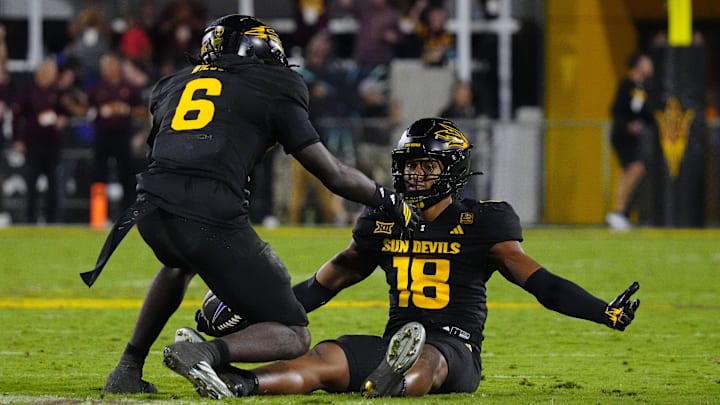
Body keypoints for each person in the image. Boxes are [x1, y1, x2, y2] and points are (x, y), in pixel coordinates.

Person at [175, 117, 641, 399]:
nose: (414, 175)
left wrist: (603, 311)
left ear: (452, 171)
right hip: (394, 342)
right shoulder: (383, 221)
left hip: (454, 350)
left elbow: (543, 284)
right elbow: (322, 286)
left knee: (428, 365)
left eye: (426, 166)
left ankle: (395, 381)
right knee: (323, 358)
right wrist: (252, 312)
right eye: (409, 165)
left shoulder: (484, 223)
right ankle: (238, 383)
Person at [87, 14, 418, 395]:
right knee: (294, 334)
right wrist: (388, 198)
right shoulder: (273, 84)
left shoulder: (172, 84)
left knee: (178, 265)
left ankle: (127, 369)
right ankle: (206, 352)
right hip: (209, 216)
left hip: (149, 210)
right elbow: (333, 174)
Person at [86, 52, 146, 215]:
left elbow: (142, 111)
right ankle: (98, 215)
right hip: (102, 135)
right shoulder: (97, 89)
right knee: (99, 175)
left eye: (110, 65)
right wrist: (98, 112)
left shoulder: (129, 88)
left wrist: (124, 109)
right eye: (105, 67)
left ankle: (126, 213)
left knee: (126, 174)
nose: (107, 70)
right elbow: (86, 110)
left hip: (122, 134)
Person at [11, 59, 67, 224]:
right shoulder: (28, 92)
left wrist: (61, 120)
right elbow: (17, 117)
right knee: (32, 183)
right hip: (33, 143)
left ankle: (52, 219)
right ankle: (30, 218)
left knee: (54, 183)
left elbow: (65, 112)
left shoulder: (57, 92)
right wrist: (18, 139)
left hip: (52, 143)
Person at [606, 52, 654, 231]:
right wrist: (628, 125)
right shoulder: (626, 84)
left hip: (633, 136)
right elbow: (616, 110)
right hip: (622, 135)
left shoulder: (643, 88)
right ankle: (618, 211)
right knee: (636, 168)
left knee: (628, 171)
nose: (651, 65)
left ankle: (620, 212)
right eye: (647, 62)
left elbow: (646, 114)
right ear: (638, 65)